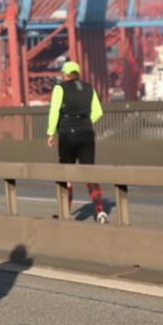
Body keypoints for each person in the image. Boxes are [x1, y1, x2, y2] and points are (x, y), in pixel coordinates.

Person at [46, 60, 108, 224]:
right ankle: (100, 210)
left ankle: (65, 212)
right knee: (89, 172)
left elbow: (54, 111)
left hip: (67, 135)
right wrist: (84, 123)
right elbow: (98, 112)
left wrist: (51, 133)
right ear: (78, 73)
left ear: (66, 74)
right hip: (86, 133)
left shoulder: (60, 88)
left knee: (66, 174)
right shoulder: (89, 88)